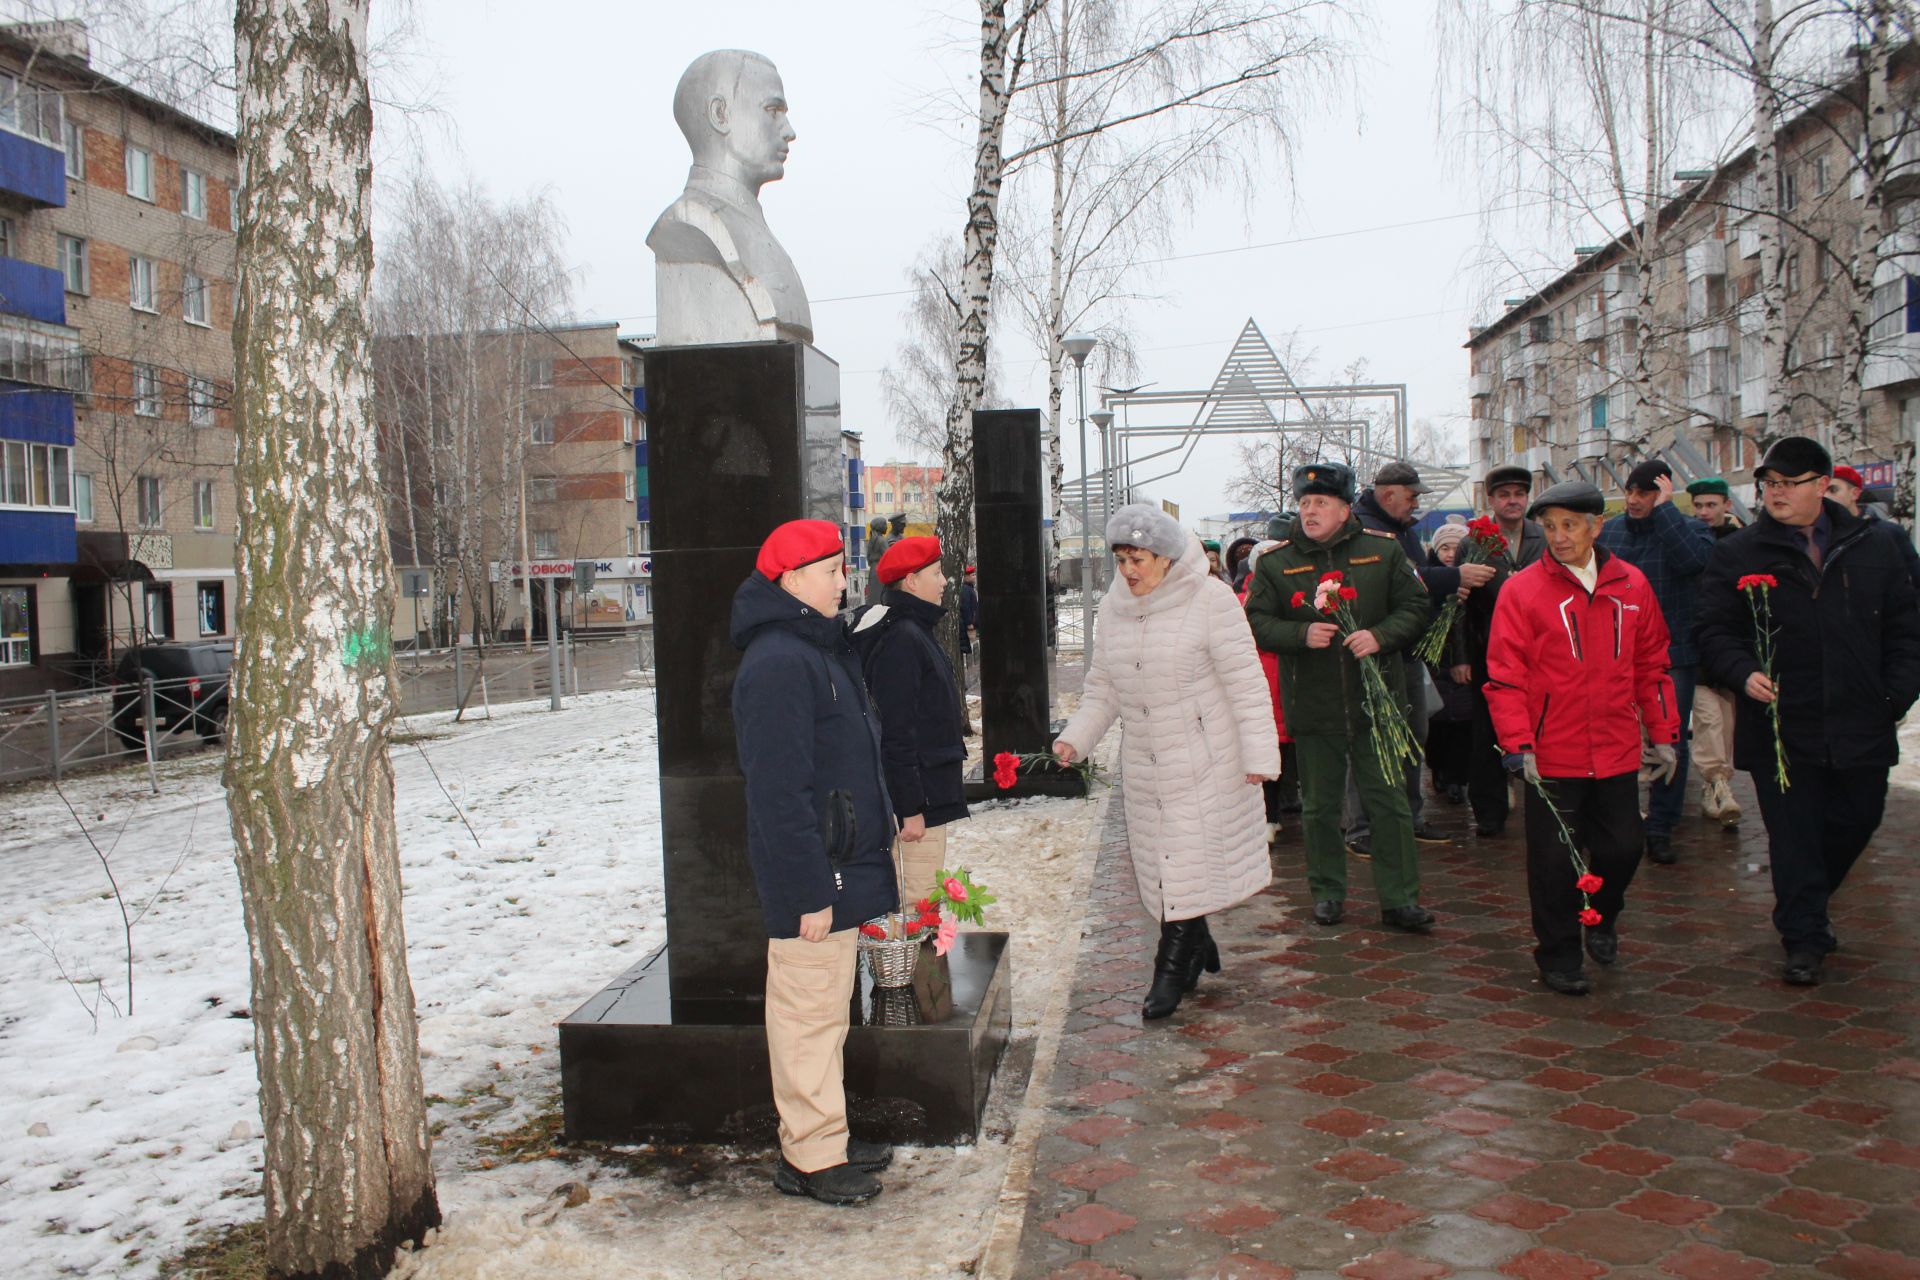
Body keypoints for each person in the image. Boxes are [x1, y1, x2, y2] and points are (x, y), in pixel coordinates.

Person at [1696, 436, 1920, 987]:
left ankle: (1809, 902)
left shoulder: (1880, 544)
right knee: (1793, 834)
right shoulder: (1739, 552)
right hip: (1781, 723)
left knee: (1857, 818)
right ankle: (1803, 937)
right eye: (1768, 484)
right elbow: (1712, 629)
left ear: (1823, 486)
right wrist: (1741, 669)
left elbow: (1908, 626)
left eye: (1788, 484)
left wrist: (1894, 696)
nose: (1775, 494)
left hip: (1861, 716)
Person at [1053, 503, 1280, 1020]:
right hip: (1146, 763)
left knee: (1179, 861)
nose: (1129, 571)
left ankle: (1170, 968)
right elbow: (1102, 689)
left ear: (1167, 558)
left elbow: (1246, 685)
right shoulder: (1113, 609)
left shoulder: (1211, 601)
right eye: (1122, 559)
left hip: (1207, 758)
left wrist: (1259, 756)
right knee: (1166, 869)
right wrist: (1075, 740)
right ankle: (1196, 942)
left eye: (1140, 559)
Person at [730, 519, 898, 1205]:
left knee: (827, 1011)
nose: (843, 581)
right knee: (806, 1014)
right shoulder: (777, 662)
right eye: (832, 570)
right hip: (815, 877)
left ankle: (824, 1132)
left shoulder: (814, 650)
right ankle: (808, 1158)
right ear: (793, 580)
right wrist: (808, 889)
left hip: (838, 866)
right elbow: (778, 792)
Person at [1486, 482, 1680, 996]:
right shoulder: (1522, 590)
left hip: (1616, 749)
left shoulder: (1632, 585)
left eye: (1570, 525)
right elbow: (1506, 675)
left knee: (1623, 848)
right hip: (1552, 752)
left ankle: (1603, 914)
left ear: (1597, 525)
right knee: (1552, 862)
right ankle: (1558, 955)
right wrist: (1518, 743)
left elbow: (1653, 666)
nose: (1559, 537)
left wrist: (1664, 734)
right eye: (1549, 527)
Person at [1245, 463, 1437, 934]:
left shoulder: (1382, 551)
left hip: (1378, 705)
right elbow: (1255, 622)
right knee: (1320, 807)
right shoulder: (1277, 563)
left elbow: (1416, 606)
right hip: (1313, 703)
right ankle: (1328, 892)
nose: (1310, 511)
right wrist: (1299, 632)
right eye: (1305, 503)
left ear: (1345, 508)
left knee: (1389, 803)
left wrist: (1380, 635)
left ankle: (1399, 899)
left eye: (1321, 504)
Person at [1345, 462, 1490, 851]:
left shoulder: (1402, 529)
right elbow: (1401, 578)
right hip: (1374, 654)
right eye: (1412, 496)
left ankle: (1408, 818)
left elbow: (1418, 576)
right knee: (1371, 743)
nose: (1416, 504)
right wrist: (1454, 577)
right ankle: (1362, 828)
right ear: (1389, 494)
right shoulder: (1363, 527)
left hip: (1406, 652)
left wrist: (1444, 588)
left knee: (1411, 739)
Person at [1594, 459, 1715, 866]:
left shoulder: (1687, 529)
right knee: (1615, 737)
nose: (1633, 500)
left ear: (1662, 494)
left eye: (1645, 493)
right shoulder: (1610, 532)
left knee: (1670, 740)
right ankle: (1621, 820)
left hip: (1672, 656)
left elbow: (1695, 563)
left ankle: (1662, 825)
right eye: (1630, 492)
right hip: (1614, 655)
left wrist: (1666, 511)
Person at [648, 51, 813, 345]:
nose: (789, 132)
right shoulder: (689, 225)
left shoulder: (754, 227)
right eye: (773, 110)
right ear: (720, 114)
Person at [851, 535, 971, 909]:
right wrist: (910, 809)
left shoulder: (914, 630)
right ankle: (911, 970)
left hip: (931, 793)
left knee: (922, 899)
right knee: (916, 907)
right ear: (912, 581)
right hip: (921, 804)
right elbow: (895, 731)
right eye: (937, 572)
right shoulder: (903, 638)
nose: (945, 580)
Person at [1460, 464, 1547, 837]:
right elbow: (1459, 606)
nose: (1512, 502)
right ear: (1491, 500)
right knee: (1487, 735)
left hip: (1540, 652)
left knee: (1541, 729)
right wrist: (1461, 656)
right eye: (1504, 495)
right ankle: (1490, 813)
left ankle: (1545, 806)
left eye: (1519, 495)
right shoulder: (1474, 542)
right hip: (1488, 650)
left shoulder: (1544, 538)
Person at [1686, 477, 1743, 829]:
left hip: (1732, 647)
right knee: (1709, 717)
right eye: (1698, 505)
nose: (1704, 512)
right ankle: (1718, 783)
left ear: (1726, 505)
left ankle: (1717, 785)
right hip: (1696, 645)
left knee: (1726, 721)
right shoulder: (1690, 540)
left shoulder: (1741, 542)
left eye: (1711, 505)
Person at [1237, 540, 1291, 842]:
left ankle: (1277, 812)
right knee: (1269, 748)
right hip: (1265, 682)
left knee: (1283, 750)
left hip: (1287, 682)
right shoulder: (1244, 599)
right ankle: (1268, 816)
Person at [1424, 519, 1475, 806]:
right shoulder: (1428, 584)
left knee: (1462, 726)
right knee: (1437, 726)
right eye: (1444, 547)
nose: (1449, 554)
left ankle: (1457, 778)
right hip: (1434, 664)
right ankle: (1438, 769)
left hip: (1464, 665)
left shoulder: (1474, 584)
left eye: (1456, 548)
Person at [863, 516, 892, 605]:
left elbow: (868, 557)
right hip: (880, 569)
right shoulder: (882, 540)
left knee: (873, 594)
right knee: (880, 595)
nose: (887, 527)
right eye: (885, 525)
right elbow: (888, 556)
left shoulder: (873, 540)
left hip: (873, 569)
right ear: (880, 527)